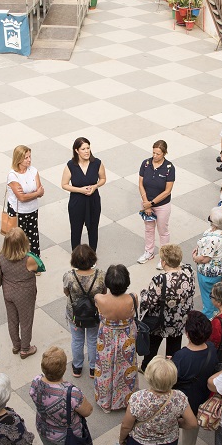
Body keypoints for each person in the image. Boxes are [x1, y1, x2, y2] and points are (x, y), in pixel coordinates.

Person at [28, 347, 93, 445]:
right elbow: (88, 411)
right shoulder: (71, 392)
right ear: (64, 369)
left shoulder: (36, 382)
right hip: (66, 437)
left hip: (44, 429)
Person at [172, 312, 218, 445]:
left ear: (187, 334)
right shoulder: (212, 349)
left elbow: (172, 379)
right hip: (201, 398)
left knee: (173, 424)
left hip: (182, 400)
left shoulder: (181, 356)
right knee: (192, 430)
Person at [139, 244, 196, 371]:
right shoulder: (188, 271)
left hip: (161, 320)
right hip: (180, 318)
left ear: (164, 262)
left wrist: (143, 294)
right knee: (174, 346)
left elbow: (149, 302)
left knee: (153, 344)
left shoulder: (160, 279)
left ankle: (146, 366)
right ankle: (171, 369)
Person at [93, 264, 139, 411]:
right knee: (126, 367)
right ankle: (125, 399)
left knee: (105, 369)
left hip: (107, 337)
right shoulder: (132, 298)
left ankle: (105, 400)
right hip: (126, 337)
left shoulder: (99, 299)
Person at [62, 244, 106, 378]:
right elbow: (104, 293)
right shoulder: (100, 275)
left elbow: (66, 292)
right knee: (93, 340)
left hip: (75, 315)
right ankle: (93, 368)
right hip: (94, 315)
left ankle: (77, 367)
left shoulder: (69, 276)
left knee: (77, 340)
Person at [0, 227, 39, 359]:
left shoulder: (1, 255)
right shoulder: (29, 260)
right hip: (25, 294)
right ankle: (25, 349)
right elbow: (38, 268)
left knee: (12, 320)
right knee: (26, 321)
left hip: (8, 292)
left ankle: (16, 345)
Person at [62, 137, 106, 250]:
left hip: (93, 201)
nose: (87, 151)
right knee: (76, 230)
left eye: (88, 148)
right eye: (83, 149)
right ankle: (76, 257)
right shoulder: (71, 165)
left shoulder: (97, 163)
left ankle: (92, 256)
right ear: (77, 150)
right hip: (77, 202)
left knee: (93, 230)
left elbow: (103, 179)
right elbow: (64, 184)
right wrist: (80, 190)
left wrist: (95, 186)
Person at [137, 140, 176, 267]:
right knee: (148, 229)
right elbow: (141, 184)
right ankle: (149, 252)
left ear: (164, 153)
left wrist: (151, 203)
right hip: (146, 203)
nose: (155, 156)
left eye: (158, 154)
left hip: (162, 205)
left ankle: (164, 257)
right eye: (153, 152)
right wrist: (145, 203)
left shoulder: (169, 168)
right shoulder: (146, 164)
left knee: (163, 231)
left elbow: (167, 191)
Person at [193, 207, 222, 320]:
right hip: (219, 268)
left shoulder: (213, 239)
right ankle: (216, 311)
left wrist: (195, 257)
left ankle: (208, 316)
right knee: (214, 290)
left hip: (208, 272)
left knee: (207, 294)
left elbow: (205, 259)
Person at [7, 145, 44, 256]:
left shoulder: (33, 171)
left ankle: (35, 263)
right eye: (26, 158)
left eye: (29, 157)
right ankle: (19, 263)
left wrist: (31, 194)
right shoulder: (13, 176)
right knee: (18, 238)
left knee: (33, 237)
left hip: (32, 210)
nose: (29, 160)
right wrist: (35, 194)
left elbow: (41, 191)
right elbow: (21, 198)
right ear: (18, 159)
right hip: (18, 212)